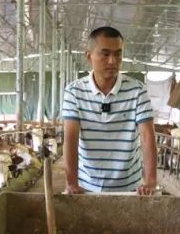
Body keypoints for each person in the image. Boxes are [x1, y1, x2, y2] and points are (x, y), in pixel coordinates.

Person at [62, 26, 158, 195]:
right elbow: (71, 139)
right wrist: (71, 183)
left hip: (130, 188)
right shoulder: (74, 92)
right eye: (105, 54)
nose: (113, 61)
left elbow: (147, 136)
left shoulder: (137, 90)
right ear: (89, 56)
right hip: (87, 186)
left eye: (118, 54)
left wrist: (150, 181)